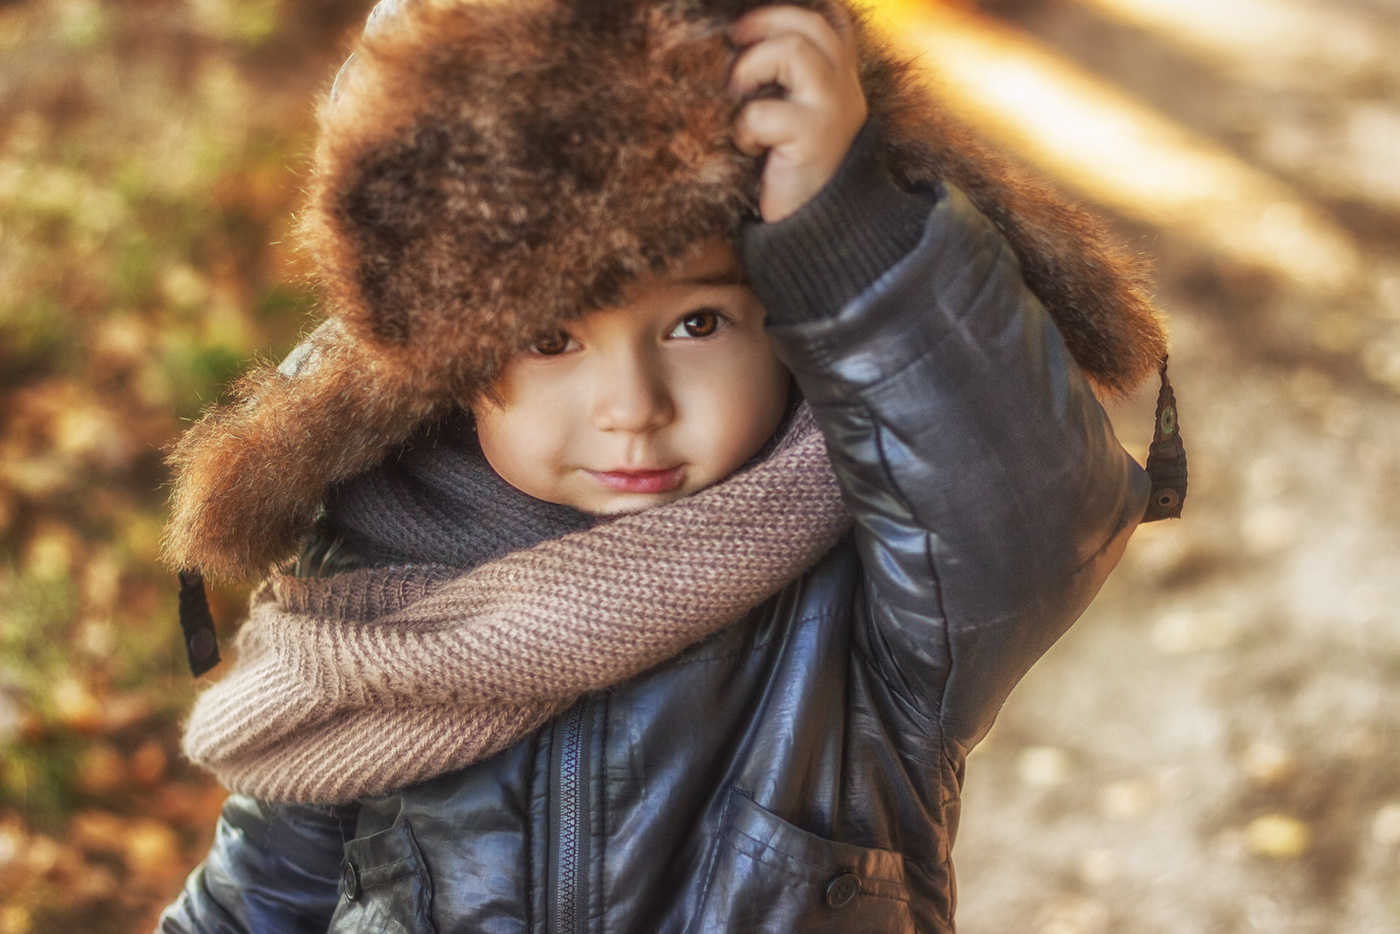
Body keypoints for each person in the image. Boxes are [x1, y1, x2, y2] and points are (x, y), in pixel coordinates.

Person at [156, 0, 1176, 931]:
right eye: (548, 339)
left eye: (696, 321)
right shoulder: (367, 603)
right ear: (447, 356)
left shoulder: (868, 590)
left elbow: (1029, 515)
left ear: (780, 310)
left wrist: (849, 223)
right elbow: (256, 903)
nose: (630, 409)